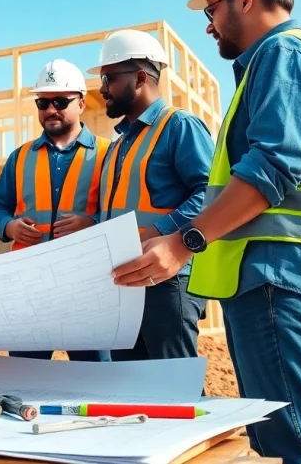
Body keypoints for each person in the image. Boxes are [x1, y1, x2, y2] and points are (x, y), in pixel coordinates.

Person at [112, 0, 301, 463]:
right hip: (271, 283)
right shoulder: (274, 63)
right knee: (282, 441)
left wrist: (183, 243)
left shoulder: (286, 55)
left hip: (281, 279)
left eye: (211, 9)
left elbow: (272, 168)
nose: (208, 25)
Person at [87, 29, 213, 363]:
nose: (102, 90)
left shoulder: (180, 126)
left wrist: (156, 232)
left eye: (109, 78)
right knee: (133, 391)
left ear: (141, 77)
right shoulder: (117, 146)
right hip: (125, 283)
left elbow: (209, 192)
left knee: (177, 394)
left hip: (168, 282)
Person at [0, 59, 111, 363]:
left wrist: (92, 222)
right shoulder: (20, 157)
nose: (51, 109)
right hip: (30, 288)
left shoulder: (110, 154)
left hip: (88, 290)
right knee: (27, 377)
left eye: (60, 101)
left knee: (95, 378)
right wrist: (9, 226)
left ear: (81, 103)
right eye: (43, 102)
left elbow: (124, 214)